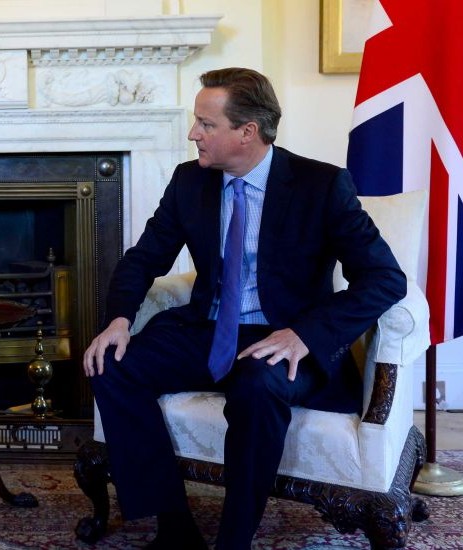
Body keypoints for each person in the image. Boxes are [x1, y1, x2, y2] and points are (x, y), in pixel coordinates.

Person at [82, 68, 406, 550]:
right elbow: (144, 257)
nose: (194, 133)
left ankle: (234, 541)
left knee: (257, 387)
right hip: (206, 328)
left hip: (285, 336)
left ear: (246, 132)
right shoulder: (189, 181)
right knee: (109, 364)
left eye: (205, 124)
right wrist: (119, 320)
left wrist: (305, 334)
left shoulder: (321, 186)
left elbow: (385, 278)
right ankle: (175, 530)